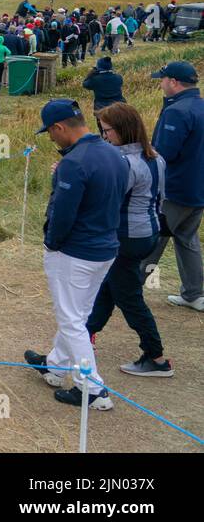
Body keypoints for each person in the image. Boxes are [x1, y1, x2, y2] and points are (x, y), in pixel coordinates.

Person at [25, 99, 127, 411]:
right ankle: (56, 367)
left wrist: (51, 244)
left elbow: (63, 215)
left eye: (50, 133)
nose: (51, 138)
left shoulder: (74, 162)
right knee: (77, 314)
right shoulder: (114, 153)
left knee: (71, 318)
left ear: (59, 127)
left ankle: (92, 389)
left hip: (76, 252)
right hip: (105, 248)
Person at [86, 103, 173, 377]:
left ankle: (156, 357)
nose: (105, 136)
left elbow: (105, 199)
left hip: (126, 236)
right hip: (148, 231)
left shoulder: (124, 163)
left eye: (107, 131)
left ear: (122, 130)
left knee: (129, 297)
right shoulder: (156, 158)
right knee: (109, 288)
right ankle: (85, 336)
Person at [142, 61, 204, 310]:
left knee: (152, 238)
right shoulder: (199, 106)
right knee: (187, 240)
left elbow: (163, 154)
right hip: (197, 189)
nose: (161, 83)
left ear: (174, 82)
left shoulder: (176, 111)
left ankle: (127, 289)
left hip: (174, 190)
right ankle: (194, 293)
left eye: (163, 79)